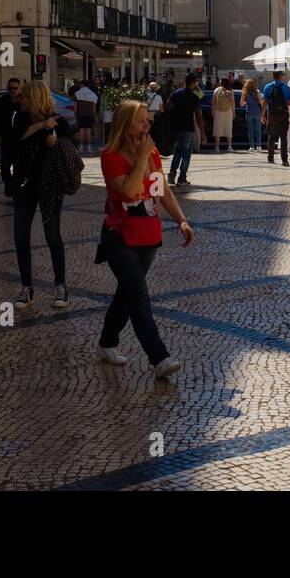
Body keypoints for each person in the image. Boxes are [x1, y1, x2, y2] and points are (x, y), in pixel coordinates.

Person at [97, 99, 194, 379]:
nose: (147, 126)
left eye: (147, 120)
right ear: (125, 125)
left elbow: (161, 190)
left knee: (127, 294)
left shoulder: (150, 154)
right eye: (141, 121)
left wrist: (182, 220)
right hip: (119, 236)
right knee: (138, 295)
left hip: (148, 234)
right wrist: (140, 158)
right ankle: (159, 357)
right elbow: (128, 191)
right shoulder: (110, 156)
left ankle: (106, 343)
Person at [10, 80, 74, 309]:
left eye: (24, 97)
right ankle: (26, 287)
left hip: (50, 185)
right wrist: (41, 126)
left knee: (52, 235)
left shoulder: (59, 121)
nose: (20, 100)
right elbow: (15, 139)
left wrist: (52, 135)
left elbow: (67, 147)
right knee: (20, 235)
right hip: (25, 184)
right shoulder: (20, 119)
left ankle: (61, 286)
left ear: (34, 99)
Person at [166, 72, 205, 186]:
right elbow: (199, 115)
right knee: (186, 154)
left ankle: (171, 176)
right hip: (188, 128)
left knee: (177, 152)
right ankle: (182, 178)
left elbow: (168, 106)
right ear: (193, 83)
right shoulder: (194, 97)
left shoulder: (176, 93)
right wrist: (202, 131)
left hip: (176, 127)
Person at [0, 78, 23, 197]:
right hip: (6, 139)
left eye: (15, 88)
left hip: (21, 140)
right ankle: (9, 185)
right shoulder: (1, 102)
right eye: (10, 88)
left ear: (19, 89)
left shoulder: (23, 102)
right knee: (4, 167)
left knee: (19, 167)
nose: (12, 90)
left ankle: (16, 189)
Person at [262, 70, 290, 165]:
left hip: (271, 114)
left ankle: (270, 158)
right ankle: (284, 160)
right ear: (280, 76)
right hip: (283, 114)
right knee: (283, 137)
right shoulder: (285, 87)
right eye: (283, 75)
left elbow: (264, 102)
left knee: (271, 137)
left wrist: (263, 115)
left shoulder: (267, 87)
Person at [74, 79, 99, 155]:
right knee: (88, 130)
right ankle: (89, 148)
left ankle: (81, 147)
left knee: (81, 130)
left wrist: (75, 113)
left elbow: (75, 106)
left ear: (82, 85)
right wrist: (94, 115)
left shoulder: (77, 93)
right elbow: (94, 107)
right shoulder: (93, 94)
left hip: (80, 114)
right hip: (89, 114)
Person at [212, 78, 235, 153]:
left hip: (218, 111)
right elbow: (233, 104)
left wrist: (212, 111)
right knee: (228, 128)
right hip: (228, 111)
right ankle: (229, 147)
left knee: (217, 128)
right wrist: (234, 113)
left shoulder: (216, 90)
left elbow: (213, 102)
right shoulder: (230, 91)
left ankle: (217, 147)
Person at [241, 78, 263, 151]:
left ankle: (252, 146)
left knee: (250, 130)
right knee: (258, 130)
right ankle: (259, 146)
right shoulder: (258, 92)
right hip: (257, 113)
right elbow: (261, 103)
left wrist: (246, 103)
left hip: (249, 112)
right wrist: (262, 113)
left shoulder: (245, 92)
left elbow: (241, 104)